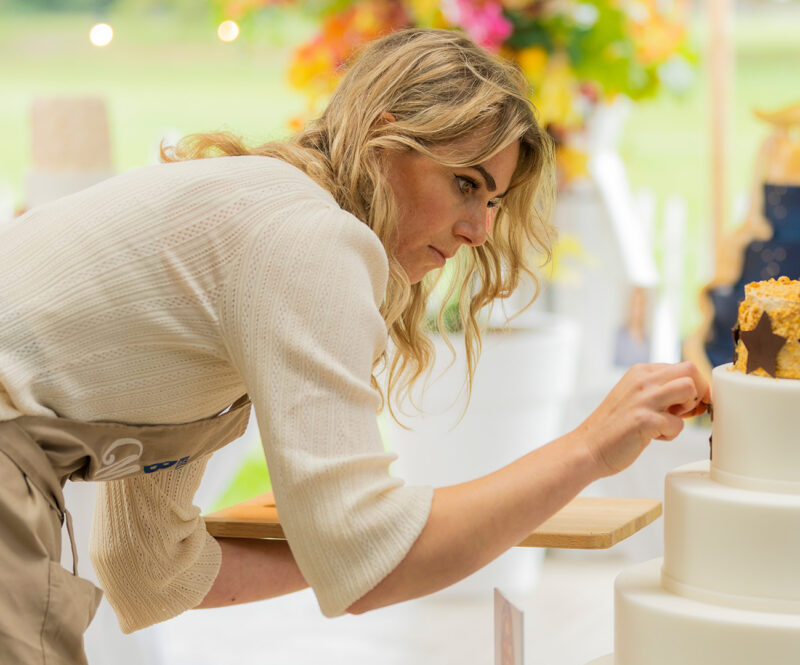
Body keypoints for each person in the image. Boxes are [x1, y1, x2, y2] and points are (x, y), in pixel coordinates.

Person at [0, 28, 709, 664]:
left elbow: (147, 569)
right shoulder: (307, 238)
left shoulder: (256, 220)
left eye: (493, 203)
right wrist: (588, 448)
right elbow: (372, 560)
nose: (478, 233)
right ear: (382, 135)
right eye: (465, 184)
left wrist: (345, 541)